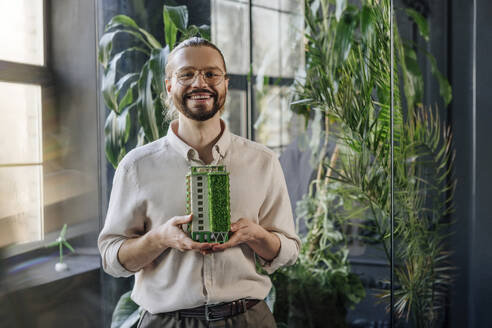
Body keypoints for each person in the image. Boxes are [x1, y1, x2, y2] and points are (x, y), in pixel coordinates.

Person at [98, 37, 300, 328]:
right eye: (186, 74)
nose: (199, 82)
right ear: (169, 86)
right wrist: (160, 238)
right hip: (166, 322)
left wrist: (255, 235)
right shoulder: (137, 166)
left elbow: (289, 251)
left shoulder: (263, 161)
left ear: (225, 83)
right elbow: (112, 259)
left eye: (210, 74)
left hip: (248, 319)